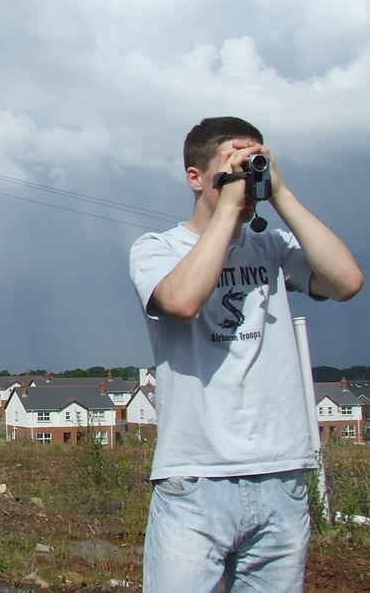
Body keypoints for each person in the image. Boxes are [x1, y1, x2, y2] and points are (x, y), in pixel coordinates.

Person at [128, 116, 363, 593]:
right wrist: (227, 210)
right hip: (196, 479)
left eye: (253, 164)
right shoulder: (157, 248)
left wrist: (280, 194)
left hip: (281, 476)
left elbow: (346, 282)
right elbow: (181, 302)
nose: (244, 178)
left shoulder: (272, 247)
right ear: (195, 177)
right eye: (230, 167)